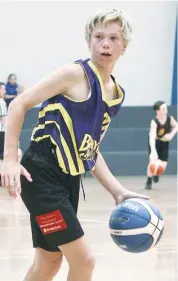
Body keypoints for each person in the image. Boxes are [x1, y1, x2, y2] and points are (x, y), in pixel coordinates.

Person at [1, 9, 149, 281]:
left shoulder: (115, 95)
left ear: (123, 47)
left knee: (48, 262)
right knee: (85, 262)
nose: (105, 43)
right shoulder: (74, 74)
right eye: (99, 36)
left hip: (68, 180)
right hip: (40, 174)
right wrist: (9, 158)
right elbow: (18, 104)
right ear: (89, 41)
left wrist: (117, 191)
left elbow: (90, 151)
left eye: (113, 38)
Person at [145, 100, 178, 190]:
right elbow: (152, 137)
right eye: (163, 109)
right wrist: (153, 151)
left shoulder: (169, 118)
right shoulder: (154, 122)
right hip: (155, 142)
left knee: (163, 164)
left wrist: (171, 135)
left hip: (164, 142)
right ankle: (149, 180)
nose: (166, 110)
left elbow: (176, 126)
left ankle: (157, 173)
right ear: (158, 111)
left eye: (166, 108)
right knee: (152, 161)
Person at [0, 82, 22, 183]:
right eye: (3, 89)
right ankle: (6, 179)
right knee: (8, 155)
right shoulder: (1, 102)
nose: (5, 91)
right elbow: (4, 121)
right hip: (2, 133)